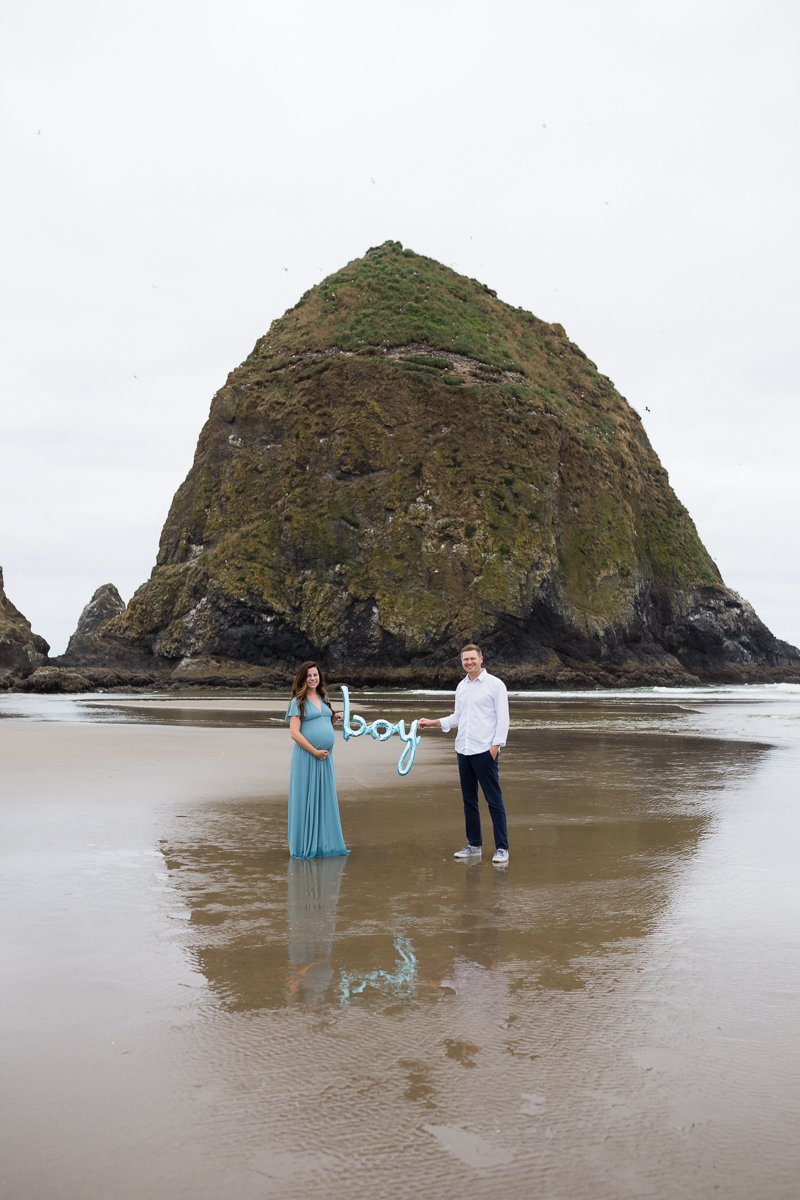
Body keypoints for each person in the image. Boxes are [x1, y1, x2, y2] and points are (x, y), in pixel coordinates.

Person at [418, 644, 510, 864]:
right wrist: (432, 722)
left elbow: (503, 718)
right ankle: (474, 845)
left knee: (493, 800)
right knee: (469, 801)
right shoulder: (461, 686)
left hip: (485, 751)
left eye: (472, 658)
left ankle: (502, 848)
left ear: (481, 659)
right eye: (465, 659)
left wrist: (495, 747)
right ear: (462, 662)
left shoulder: (495, 684)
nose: (469, 662)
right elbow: (457, 717)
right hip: (463, 750)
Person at [285, 661, 349, 859]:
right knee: (306, 799)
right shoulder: (297, 702)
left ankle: (323, 844)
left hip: (324, 758)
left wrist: (333, 719)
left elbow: (322, 722)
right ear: (302, 678)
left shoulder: (324, 698)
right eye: (309, 675)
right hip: (307, 757)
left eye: (315, 675)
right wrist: (314, 751)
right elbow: (294, 733)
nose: (313, 678)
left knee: (323, 799)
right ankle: (305, 846)